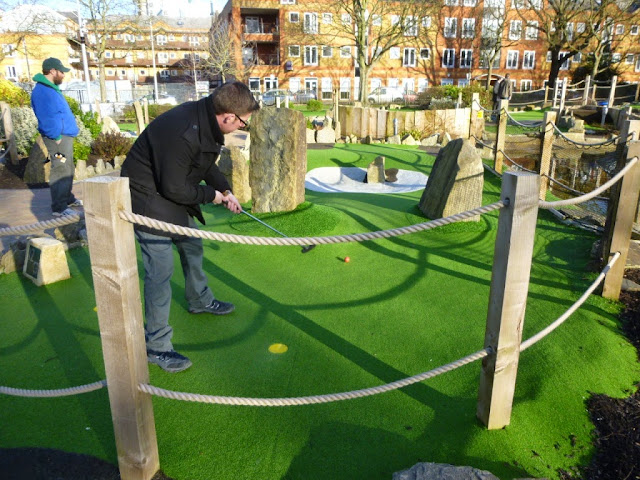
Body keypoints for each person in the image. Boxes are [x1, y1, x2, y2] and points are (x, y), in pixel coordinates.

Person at [121, 81, 260, 373]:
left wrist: (226, 189)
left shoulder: (205, 119)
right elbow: (175, 188)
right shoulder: (184, 131)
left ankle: (199, 300)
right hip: (147, 196)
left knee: (192, 246)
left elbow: (205, 164)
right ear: (228, 117)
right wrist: (212, 196)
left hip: (171, 189)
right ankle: (157, 347)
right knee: (160, 273)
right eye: (244, 123)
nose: (242, 127)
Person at [31, 57, 82, 216]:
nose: (63, 75)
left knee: (67, 167)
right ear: (52, 71)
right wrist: (56, 136)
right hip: (57, 140)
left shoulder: (51, 88)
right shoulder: (42, 91)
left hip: (64, 137)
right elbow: (45, 117)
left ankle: (67, 198)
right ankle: (59, 207)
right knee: (60, 166)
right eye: (61, 72)